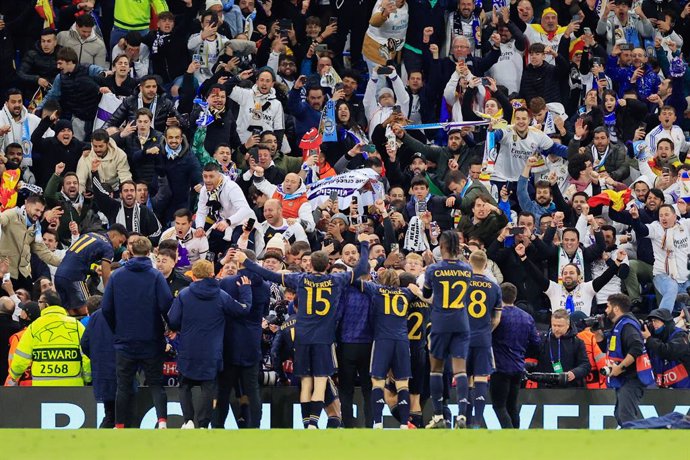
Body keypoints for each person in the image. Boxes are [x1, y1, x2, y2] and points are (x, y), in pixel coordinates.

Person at [235, 237, 370, 428]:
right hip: (323, 338)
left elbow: (269, 274)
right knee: (320, 380)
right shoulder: (337, 279)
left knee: (306, 381)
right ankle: (314, 422)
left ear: (310, 265)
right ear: (327, 265)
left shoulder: (300, 278)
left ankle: (307, 424)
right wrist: (364, 245)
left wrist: (246, 260)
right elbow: (362, 268)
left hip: (303, 336)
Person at [168, 259, 253, 429]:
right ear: (212, 274)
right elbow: (243, 309)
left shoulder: (184, 294)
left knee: (185, 385)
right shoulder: (221, 295)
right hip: (211, 350)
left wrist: (181, 327)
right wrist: (245, 290)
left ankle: (188, 420)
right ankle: (203, 423)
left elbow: (173, 320)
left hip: (188, 348)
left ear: (193, 275)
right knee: (208, 387)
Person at [101, 237, 173, 429]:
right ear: (150, 252)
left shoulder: (117, 276)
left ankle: (119, 425)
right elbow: (167, 305)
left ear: (131, 251)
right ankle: (162, 421)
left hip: (125, 340)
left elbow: (106, 308)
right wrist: (171, 326)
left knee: (123, 385)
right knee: (156, 383)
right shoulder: (156, 276)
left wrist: (117, 328)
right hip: (151, 339)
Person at [358, 269, 423, 429]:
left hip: (382, 340)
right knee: (403, 384)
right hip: (401, 341)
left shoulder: (376, 289)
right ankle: (403, 424)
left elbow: (355, 281)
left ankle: (378, 422)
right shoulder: (406, 292)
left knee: (377, 383)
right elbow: (420, 294)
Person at [423, 230, 473, 429]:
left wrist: (428, 266)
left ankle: (438, 417)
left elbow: (427, 293)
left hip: (441, 322)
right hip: (461, 321)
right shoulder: (467, 269)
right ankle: (461, 415)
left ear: (442, 247)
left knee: (436, 369)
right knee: (460, 370)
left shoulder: (433, 269)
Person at [6, 290, 91, 387]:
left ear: (46, 305)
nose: (38, 305)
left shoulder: (34, 327)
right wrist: (87, 377)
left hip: (43, 389)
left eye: (39, 302)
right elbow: (86, 355)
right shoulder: (77, 326)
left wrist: (14, 375)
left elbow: (21, 358)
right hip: (73, 386)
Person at [491, 282, 540, 429]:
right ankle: (516, 436)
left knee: (499, 406)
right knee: (512, 406)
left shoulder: (497, 316)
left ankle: (509, 434)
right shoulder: (527, 317)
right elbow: (536, 342)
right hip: (518, 367)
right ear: (515, 297)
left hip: (500, 366)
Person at [604, 293, 655, 426]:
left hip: (632, 378)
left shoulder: (627, 325)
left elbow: (637, 348)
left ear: (616, 309)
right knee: (621, 414)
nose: (605, 310)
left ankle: (636, 445)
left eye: (607, 307)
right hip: (626, 379)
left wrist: (619, 368)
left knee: (626, 416)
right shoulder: (622, 324)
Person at [54, 225, 128, 314]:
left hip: (59, 275)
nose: (119, 246)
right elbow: (106, 275)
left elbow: (75, 258)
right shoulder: (108, 247)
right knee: (88, 311)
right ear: (113, 236)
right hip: (75, 279)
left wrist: (93, 271)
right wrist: (110, 296)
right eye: (120, 242)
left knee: (71, 312)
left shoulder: (89, 235)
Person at [465, 250, 502, 428]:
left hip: (463, 338)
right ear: (486, 265)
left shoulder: (462, 284)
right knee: (480, 377)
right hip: (483, 337)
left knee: (465, 377)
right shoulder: (494, 287)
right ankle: (478, 421)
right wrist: (486, 329)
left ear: (469, 263)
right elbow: (496, 319)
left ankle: (462, 417)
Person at [0, 196, 63, 293]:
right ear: (27, 204)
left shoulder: (35, 227)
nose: (38, 214)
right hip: (6, 272)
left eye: (41, 212)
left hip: (24, 274)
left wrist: (64, 262)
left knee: (29, 304)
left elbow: (43, 252)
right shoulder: (11, 214)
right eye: (36, 210)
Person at [81, 295, 118, 428]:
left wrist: (97, 358)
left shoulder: (95, 318)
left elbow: (84, 343)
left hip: (102, 371)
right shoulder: (121, 314)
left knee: (110, 413)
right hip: (122, 369)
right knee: (121, 414)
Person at [531, 309, 591, 388]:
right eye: (554, 325)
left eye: (560, 326)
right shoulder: (543, 339)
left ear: (568, 325)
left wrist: (574, 373)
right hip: (545, 389)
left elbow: (585, 365)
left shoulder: (577, 342)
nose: (556, 329)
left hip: (570, 388)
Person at [641, 308, 690, 389]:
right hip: (665, 388)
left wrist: (649, 339)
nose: (654, 324)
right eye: (652, 321)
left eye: (657, 321)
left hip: (685, 388)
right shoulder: (657, 337)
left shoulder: (680, 335)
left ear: (666, 322)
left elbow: (668, 352)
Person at [4, 301, 41, 386]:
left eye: (22, 310)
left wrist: (8, 389)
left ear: (26, 315)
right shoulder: (43, 334)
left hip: (23, 387)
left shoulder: (19, 337)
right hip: (40, 384)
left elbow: (14, 368)